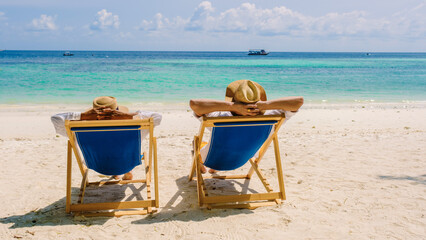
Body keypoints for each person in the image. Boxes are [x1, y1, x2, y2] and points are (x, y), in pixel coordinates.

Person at [189, 80, 303, 173]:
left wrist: (232, 107)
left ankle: (203, 166)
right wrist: (265, 105)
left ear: (234, 100)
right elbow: (298, 101)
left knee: (196, 143)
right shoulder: (271, 118)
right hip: (242, 159)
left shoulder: (220, 117)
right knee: (237, 144)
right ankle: (214, 169)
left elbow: (194, 104)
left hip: (211, 159)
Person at [51, 96, 162, 180]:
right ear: (118, 111)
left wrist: (83, 116)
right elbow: (157, 117)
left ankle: (115, 172)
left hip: (97, 165)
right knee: (125, 148)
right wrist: (127, 116)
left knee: (106, 148)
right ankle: (126, 172)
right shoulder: (135, 126)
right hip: (128, 164)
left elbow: (56, 119)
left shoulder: (79, 129)